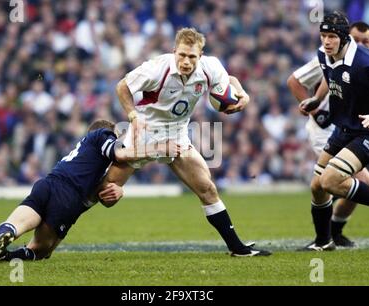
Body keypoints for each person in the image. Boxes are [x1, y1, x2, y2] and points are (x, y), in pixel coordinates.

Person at [100, 27, 271, 257]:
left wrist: (243, 94)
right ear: (174, 52)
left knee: (207, 189)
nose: (186, 61)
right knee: (105, 194)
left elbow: (228, 80)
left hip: (177, 134)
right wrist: (132, 116)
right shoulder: (157, 67)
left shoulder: (210, 67)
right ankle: (55, 218)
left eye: (192, 57)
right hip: (145, 133)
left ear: (200, 56)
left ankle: (237, 248)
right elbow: (122, 86)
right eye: (181, 55)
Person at [0, 119, 181, 263]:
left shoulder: (82, 152)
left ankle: (2, 240)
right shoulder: (103, 135)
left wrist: (119, 190)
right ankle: (7, 257)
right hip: (69, 197)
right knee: (43, 250)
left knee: (15, 225)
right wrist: (159, 149)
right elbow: (120, 157)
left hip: (47, 183)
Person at [286, 21, 369, 248]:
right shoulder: (325, 54)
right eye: (324, 35)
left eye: (331, 36)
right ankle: (325, 239)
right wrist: (316, 104)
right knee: (322, 185)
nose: (327, 41)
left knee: (330, 181)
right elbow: (323, 77)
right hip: (338, 129)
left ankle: (336, 231)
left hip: (364, 129)